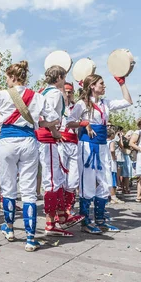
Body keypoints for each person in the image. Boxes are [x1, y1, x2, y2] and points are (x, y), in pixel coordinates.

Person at [0, 62, 59, 251]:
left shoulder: (2, 94)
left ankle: (9, 229)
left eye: (8, 78)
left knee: (8, 188)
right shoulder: (38, 97)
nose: (7, 81)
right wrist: (37, 124)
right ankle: (31, 238)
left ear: (12, 77)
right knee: (29, 191)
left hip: (7, 142)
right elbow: (55, 119)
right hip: (28, 142)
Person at [67, 74, 132, 234]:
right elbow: (69, 122)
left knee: (105, 182)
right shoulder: (81, 104)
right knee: (87, 182)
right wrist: (84, 123)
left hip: (102, 145)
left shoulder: (105, 103)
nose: (104, 86)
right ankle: (85, 222)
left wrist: (122, 83)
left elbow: (128, 102)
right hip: (87, 145)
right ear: (92, 86)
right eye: (101, 84)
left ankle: (101, 220)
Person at [35, 66, 73, 237]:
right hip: (47, 138)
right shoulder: (54, 93)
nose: (65, 80)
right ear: (59, 77)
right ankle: (51, 222)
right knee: (51, 180)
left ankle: (61, 216)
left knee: (56, 178)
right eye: (64, 77)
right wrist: (55, 132)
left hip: (45, 137)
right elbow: (45, 117)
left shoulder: (42, 91)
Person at [58, 82, 83, 228]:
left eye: (70, 92)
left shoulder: (77, 108)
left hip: (74, 144)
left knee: (73, 180)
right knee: (60, 178)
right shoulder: (56, 107)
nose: (68, 94)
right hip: (60, 144)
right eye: (65, 91)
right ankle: (59, 211)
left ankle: (68, 208)